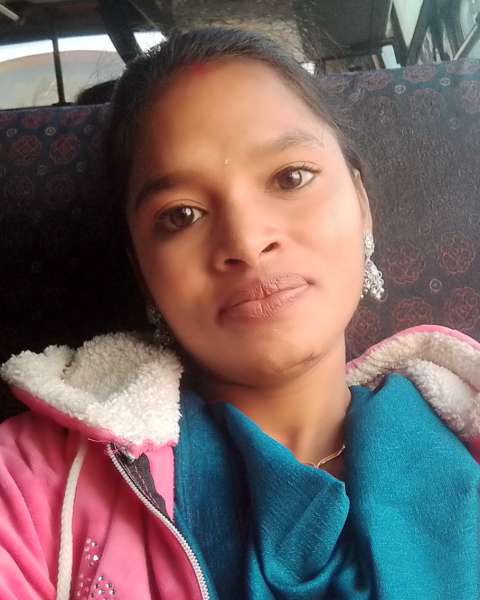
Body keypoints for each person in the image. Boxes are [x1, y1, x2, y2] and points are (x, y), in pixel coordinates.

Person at [1, 27, 479, 600]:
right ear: (142, 269)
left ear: (361, 203)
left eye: (291, 177)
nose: (247, 242)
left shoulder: (464, 430)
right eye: (181, 215)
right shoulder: (33, 484)